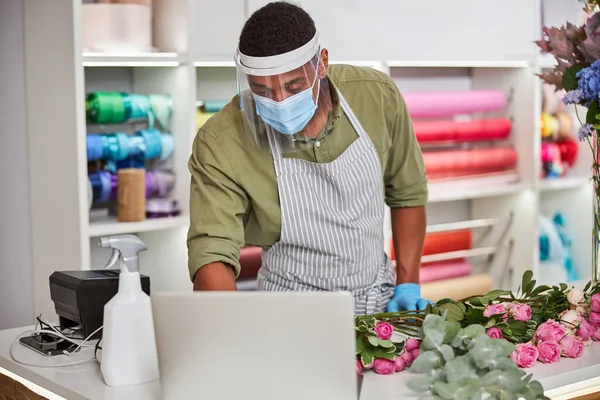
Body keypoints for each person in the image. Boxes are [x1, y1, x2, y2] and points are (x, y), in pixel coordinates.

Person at [187, 1, 432, 315]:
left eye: (293, 86)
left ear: (322, 63)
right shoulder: (221, 142)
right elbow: (212, 252)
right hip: (288, 311)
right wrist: (237, 331)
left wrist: (408, 284)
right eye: (262, 90)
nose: (280, 102)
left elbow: (408, 193)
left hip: (379, 303)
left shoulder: (376, 96)